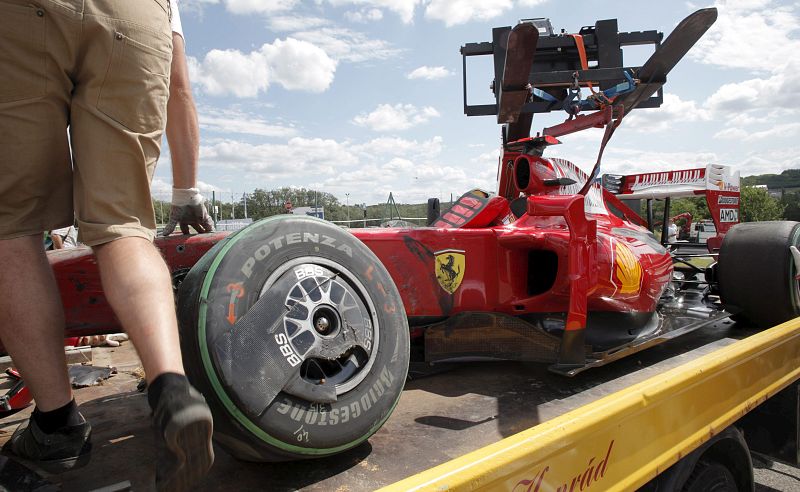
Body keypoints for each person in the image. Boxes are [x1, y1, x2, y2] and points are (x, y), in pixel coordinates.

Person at [0, 0, 213, 489]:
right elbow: (179, 86)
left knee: (11, 230)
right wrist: (186, 191)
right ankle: (173, 392)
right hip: (135, 14)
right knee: (125, 226)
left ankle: (56, 427)